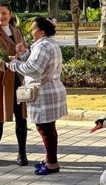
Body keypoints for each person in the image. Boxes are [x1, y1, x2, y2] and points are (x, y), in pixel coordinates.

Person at [7, 17, 67, 175]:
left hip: (44, 92)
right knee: (48, 127)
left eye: (33, 29)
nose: (31, 32)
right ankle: (50, 159)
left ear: (41, 32)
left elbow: (34, 69)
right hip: (50, 89)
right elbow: (38, 63)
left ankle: (52, 163)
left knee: (44, 128)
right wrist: (24, 54)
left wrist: (13, 64)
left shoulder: (43, 46)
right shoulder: (48, 44)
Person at [0, 2, 28, 166]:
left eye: (4, 13)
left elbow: (24, 51)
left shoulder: (17, 32)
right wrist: (7, 60)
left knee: (21, 117)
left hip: (17, 78)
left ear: (10, 14)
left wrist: (22, 55)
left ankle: (22, 154)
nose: (0, 17)